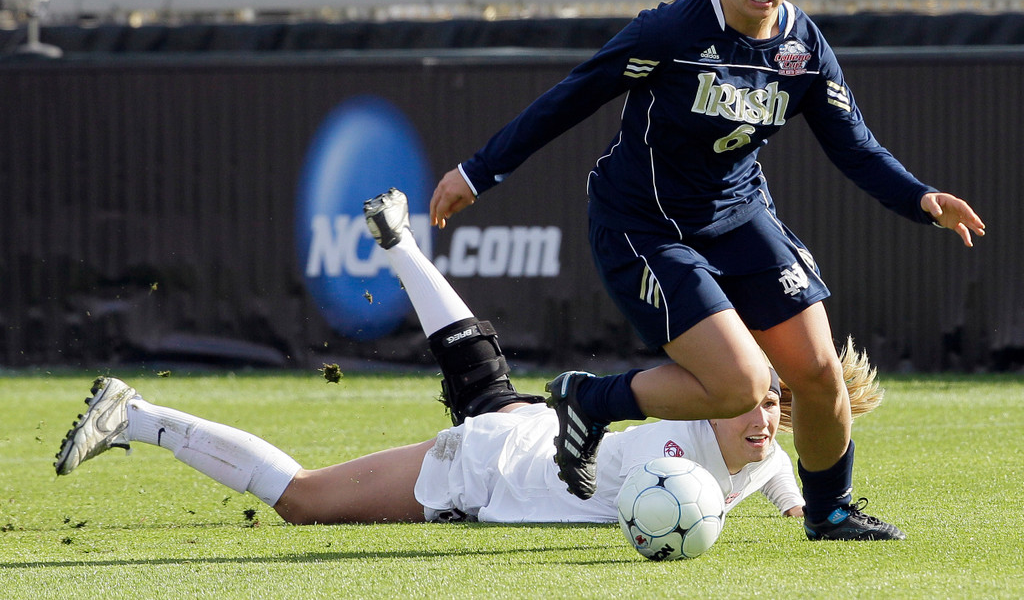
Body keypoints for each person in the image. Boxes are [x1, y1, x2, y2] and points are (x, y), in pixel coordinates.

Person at [429, 0, 985, 540]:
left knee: (818, 373)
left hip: (740, 218)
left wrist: (921, 199)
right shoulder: (670, 31)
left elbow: (853, 144)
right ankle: (589, 399)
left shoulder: (802, 46)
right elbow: (572, 96)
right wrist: (477, 172)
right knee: (739, 387)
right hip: (645, 225)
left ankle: (831, 512)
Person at [53, 189, 900, 527]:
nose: (761, 418)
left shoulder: (760, 448)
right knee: (304, 501)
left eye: (775, 409)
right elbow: (704, 455)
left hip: (522, 429)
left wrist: (797, 504)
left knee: (484, 382)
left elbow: (778, 463)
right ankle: (141, 416)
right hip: (487, 472)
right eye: (753, 400)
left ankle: (403, 249)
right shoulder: (689, 431)